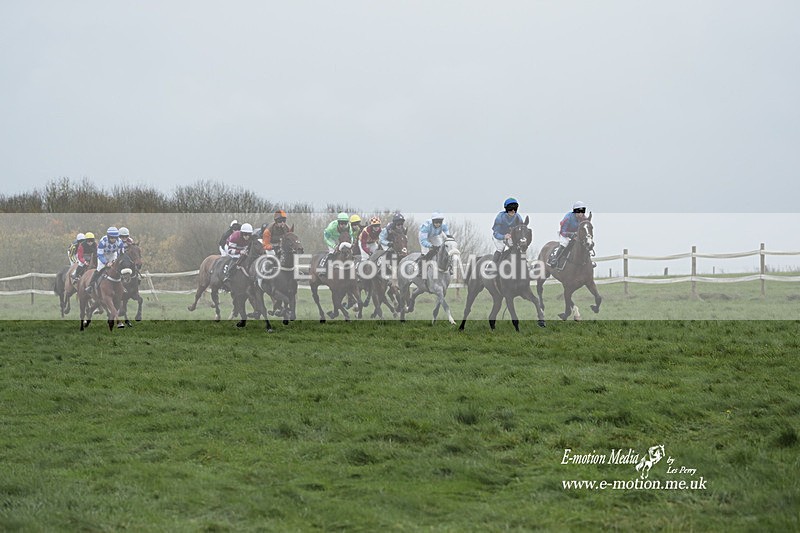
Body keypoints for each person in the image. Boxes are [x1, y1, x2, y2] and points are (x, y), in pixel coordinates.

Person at [549, 201, 589, 270]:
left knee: (585, 243)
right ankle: (555, 260)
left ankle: (588, 261)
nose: (581, 213)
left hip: (576, 235)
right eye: (579, 211)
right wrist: (571, 235)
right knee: (565, 243)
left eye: (582, 211)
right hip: (565, 234)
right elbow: (563, 231)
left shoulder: (583, 218)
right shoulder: (568, 217)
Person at [87, 227, 125, 294]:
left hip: (112, 254)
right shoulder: (103, 241)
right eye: (112, 238)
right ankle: (91, 286)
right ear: (108, 236)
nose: (114, 240)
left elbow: (121, 254)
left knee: (119, 268)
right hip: (103, 255)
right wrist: (106, 263)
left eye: (115, 238)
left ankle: (122, 286)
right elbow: (100, 254)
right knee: (99, 269)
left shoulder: (120, 242)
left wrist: (115, 261)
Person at [492, 198, 524, 263]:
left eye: (515, 208)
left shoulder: (518, 217)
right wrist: (504, 236)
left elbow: (521, 229)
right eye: (510, 209)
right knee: (500, 249)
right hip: (499, 237)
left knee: (517, 248)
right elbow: (495, 233)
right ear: (506, 209)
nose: (513, 211)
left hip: (510, 237)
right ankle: (492, 267)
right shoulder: (500, 217)